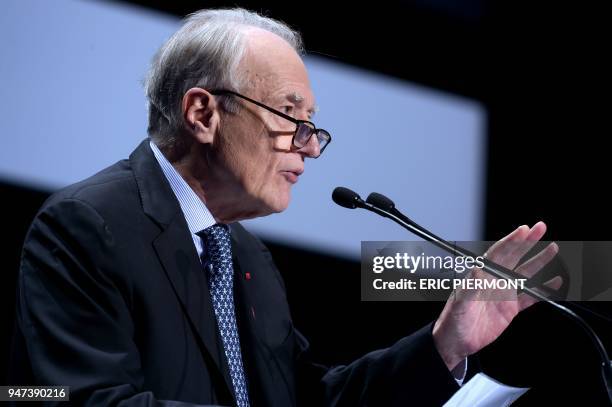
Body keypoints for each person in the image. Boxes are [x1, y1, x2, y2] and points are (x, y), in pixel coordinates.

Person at [12, 8, 558, 406]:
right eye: (290, 117)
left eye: (313, 125)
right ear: (203, 114)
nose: (310, 145)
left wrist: (445, 344)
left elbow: (303, 400)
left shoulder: (246, 257)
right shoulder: (87, 225)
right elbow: (67, 398)